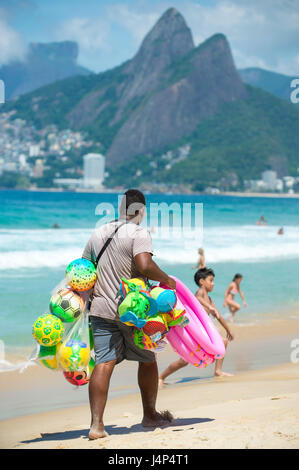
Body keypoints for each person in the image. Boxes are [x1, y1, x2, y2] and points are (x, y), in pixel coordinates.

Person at [82, 189, 176, 440]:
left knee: (104, 363)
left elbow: (85, 271)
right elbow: (145, 265)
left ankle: (97, 426)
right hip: (134, 311)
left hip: (101, 309)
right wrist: (167, 279)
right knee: (148, 359)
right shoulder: (138, 232)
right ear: (141, 211)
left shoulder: (98, 232)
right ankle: (149, 415)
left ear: (120, 207)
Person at [159, 268, 234, 385]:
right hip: (194, 333)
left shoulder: (209, 299)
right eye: (211, 280)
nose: (213, 283)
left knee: (223, 342)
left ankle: (218, 371)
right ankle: (161, 377)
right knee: (183, 361)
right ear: (202, 282)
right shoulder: (200, 293)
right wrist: (209, 307)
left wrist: (228, 329)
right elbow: (197, 299)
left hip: (202, 334)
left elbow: (218, 315)